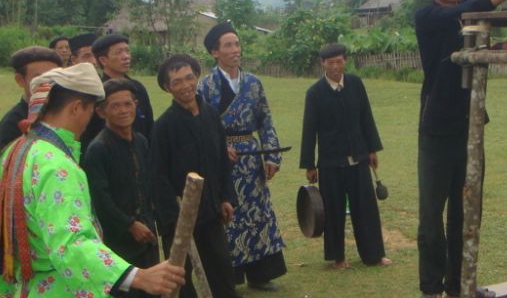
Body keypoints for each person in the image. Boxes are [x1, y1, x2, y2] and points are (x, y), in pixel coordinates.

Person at [0, 63, 185, 297]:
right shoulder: (56, 166)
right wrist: (138, 276)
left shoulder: (13, 151)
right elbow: (71, 243)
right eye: (91, 108)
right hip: (62, 288)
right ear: (76, 108)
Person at [415, 0, 507, 298]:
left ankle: (460, 286)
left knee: (466, 212)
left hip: (470, 126)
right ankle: (431, 290)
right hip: (436, 130)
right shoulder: (427, 16)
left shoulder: (463, 7)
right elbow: (478, 4)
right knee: (430, 218)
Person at [197, 23, 287, 291]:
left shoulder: (253, 83)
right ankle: (230, 277)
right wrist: (220, 146)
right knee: (229, 217)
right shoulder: (206, 86)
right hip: (223, 162)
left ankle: (261, 274)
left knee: (258, 214)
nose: (235, 50)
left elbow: (265, 121)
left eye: (237, 44)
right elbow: (202, 126)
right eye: (228, 45)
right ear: (215, 52)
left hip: (251, 158)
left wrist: (271, 155)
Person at [152, 54, 242, 298]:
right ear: (167, 88)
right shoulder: (163, 127)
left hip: (211, 211)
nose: (185, 86)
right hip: (180, 219)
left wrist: (225, 197)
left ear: (197, 77)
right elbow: (159, 177)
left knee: (222, 270)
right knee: (182, 280)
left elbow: (222, 162)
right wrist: (175, 219)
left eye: (189, 78)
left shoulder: (211, 116)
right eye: (177, 82)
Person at [300, 43, 391, 269]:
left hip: (359, 158)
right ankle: (338, 258)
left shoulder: (356, 84)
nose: (335, 67)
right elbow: (309, 130)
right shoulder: (315, 93)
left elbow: (366, 117)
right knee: (333, 210)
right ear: (323, 64)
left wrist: (372, 149)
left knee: (366, 208)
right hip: (330, 163)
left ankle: (374, 255)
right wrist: (309, 165)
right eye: (330, 63)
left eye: (339, 62)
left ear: (345, 61)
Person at [82, 78, 160, 297]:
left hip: (147, 233)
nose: (123, 110)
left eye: (128, 104)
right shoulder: (98, 149)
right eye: (115, 105)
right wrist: (129, 225)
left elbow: (146, 186)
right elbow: (99, 199)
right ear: (101, 112)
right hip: (118, 240)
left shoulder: (141, 141)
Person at [81, 34, 153, 153]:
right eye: (119, 52)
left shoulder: (138, 88)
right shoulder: (96, 93)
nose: (126, 57)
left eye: (127, 51)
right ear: (103, 60)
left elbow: (149, 127)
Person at [0, 46, 64, 154]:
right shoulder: (12, 124)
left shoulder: (66, 112)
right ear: (20, 80)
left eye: (53, 77)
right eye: (39, 78)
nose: (48, 83)